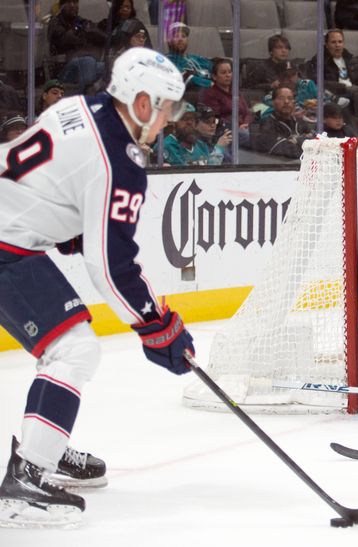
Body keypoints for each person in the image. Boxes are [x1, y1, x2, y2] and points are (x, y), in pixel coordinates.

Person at [0, 47, 194, 527]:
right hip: (6, 244)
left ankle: (44, 444)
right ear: (143, 103)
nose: (170, 119)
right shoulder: (121, 161)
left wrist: (69, 227)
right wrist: (155, 324)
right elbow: (110, 266)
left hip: (10, 232)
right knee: (74, 350)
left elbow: (49, 179)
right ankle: (27, 480)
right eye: (168, 106)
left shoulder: (79, 107)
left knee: (67, 347)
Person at [47, 0, 107, 91]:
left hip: (82, 63)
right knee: (88, 61)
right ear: (62, 5)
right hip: (62, 70)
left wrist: (98, 29)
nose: (72, 5)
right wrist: (77, 29)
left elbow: (102, 37)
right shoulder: (55, 22)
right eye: (69, 2)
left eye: (75, 2)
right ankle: (86, 97)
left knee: (106, 67)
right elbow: (65, 40)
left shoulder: (80, 21)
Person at [199, 58, 254, 146]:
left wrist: (245, 124)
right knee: (248, 137)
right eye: (223, 73)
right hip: (223, 131)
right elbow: (215, 118)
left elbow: (247, 112)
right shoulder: (210, 94)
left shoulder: (235, 91)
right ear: (214, 76)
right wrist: (236, 126)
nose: (228, 75)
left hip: (242, 128)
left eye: (229, 72)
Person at [249, 85, 314, 159]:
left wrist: (296, 141)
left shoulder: (300, 122)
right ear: (273, 102)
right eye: (281, 98)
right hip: (281, 166)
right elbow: (288, 152)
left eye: (290, 98)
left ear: (294, 102)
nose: (286, 102)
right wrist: (303, 141)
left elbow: (316, 144)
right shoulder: (266, 125)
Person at [305, 29, 358, 102]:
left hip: (355, 93)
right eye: (333, 42)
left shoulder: (352, 60)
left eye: (340, 42)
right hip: (335, 95)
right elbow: (317, 82)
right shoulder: (319, 61)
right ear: (327, 45)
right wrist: (344, 88)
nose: (337, 45)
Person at [166, 22, 213, 89]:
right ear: (169, 41)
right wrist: (211, 84)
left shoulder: (197, 59)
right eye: (176, 36)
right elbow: (184, 77)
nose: (180, 39)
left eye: (183, 36)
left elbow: (218, 70)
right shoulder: (167, 61)